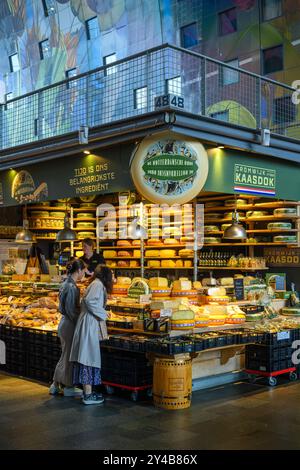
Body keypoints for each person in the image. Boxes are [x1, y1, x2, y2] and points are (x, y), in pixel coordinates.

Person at [70, 264, 113, 405]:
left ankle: (88, 392)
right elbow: (89, 301)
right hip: (89, 324)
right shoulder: (98, 285)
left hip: (88, 322)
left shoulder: (95, 283)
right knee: (87, 358)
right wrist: (103, 313)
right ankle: (87, 395)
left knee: (87, 358)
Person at [49, 259, 86, 397]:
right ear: (78, 270)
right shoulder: (72, 287)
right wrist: (80, 321)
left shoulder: (65, 283)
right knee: (69, 356)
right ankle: (69, 386)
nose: (84, 273)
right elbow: (71, 310)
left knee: (65, 355)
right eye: (83, 271)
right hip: (69, 324)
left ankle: (55, 384)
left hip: (63, 324)